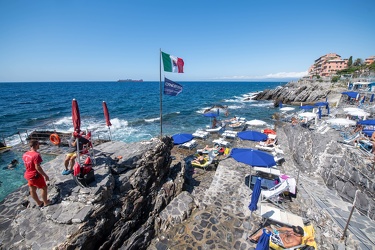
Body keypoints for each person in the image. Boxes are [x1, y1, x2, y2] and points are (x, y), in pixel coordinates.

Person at [22, 140, 51, 207]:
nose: (39, 145)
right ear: (35, 145)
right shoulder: (36, 155)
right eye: (38, 144)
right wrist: (45, 175)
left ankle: (39, 203)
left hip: (28, 174)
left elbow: (26, 164)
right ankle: (46, 202)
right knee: (44, 188)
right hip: (35, 175)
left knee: (32, 189)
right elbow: (37, 167)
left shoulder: (25, 154)